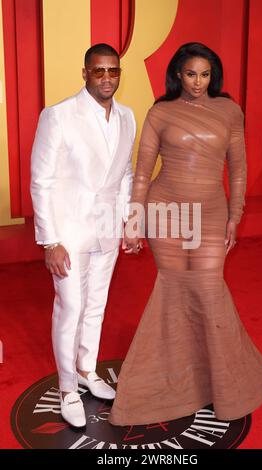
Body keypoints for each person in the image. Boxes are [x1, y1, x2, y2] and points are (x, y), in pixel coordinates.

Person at [108, 42, 262, 426]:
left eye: (204, 74)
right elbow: (142, 171)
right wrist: (135, 219)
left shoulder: (229, 111)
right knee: (173, 289)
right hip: (166, 210)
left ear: (212, 76)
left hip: (211, 211)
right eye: (190, 74)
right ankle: (170, 382)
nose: (198, 82)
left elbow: (237, 169)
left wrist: (235, 215)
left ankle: (216, 381)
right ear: (178, 75)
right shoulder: (161, 112)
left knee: (206, 287)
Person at [30, 43, 136, 427]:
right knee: (71, 306)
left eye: (113, 71)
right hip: (68, 232)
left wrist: (127, 220)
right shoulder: (58, 116)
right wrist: (50, 240)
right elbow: (41, 181)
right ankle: (67, 387)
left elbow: (124, 175)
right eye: (99, 71)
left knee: (96, 304)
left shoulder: (127, 117)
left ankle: (88, 369)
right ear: (85, 72)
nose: (107, 78)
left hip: (107, 229)